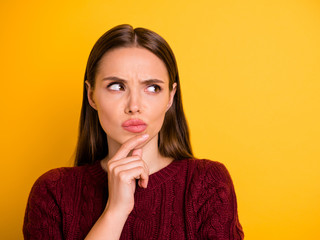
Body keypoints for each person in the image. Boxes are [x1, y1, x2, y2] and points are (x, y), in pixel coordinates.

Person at [23, 24, 244, 239]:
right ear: (91, 95)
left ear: (170, 96)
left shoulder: (208, 183)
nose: (134, 105)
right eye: (117, 86)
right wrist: (115, 211)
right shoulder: (52, 192)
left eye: (152, 88)